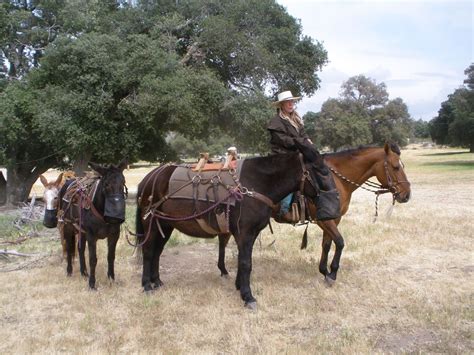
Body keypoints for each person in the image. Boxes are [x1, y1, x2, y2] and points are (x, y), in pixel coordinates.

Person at [267, 90, 340, 223]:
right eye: (287, 102)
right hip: (282, 157)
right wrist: (301, 143)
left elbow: (303, 135)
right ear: (281, 105)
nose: (291, 104)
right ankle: (283, 209)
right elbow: (283, 140)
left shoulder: (296, 119)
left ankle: (315, 204)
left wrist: (308, 142)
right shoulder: (276, 121)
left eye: (292, 101)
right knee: (291, 177)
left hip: (297, 154)